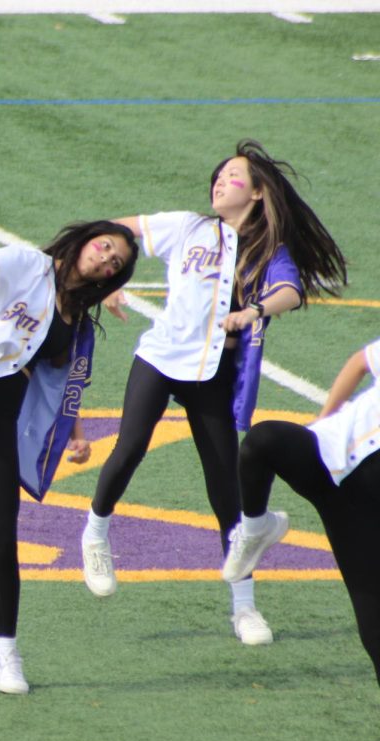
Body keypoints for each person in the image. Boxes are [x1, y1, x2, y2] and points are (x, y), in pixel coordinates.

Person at [78, 140, 347, 647]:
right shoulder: (188, 226)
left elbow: (290, 291)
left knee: (226, 485)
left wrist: (255, 312)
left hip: (214, 373)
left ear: (259, 192)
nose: (221, 182)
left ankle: (244, 608)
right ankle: (95, 533)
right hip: (160, 358)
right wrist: (108, 279)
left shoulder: (269, 250)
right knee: (130, 447)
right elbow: (114, 231)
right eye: (219, 176)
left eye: (234, 177)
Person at [0, 219, 139, 694]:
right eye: (104, 247)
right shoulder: (31, 265)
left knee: (2, 538)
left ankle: (6, 657)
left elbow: (59, 385)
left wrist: (74, 433)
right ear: (84, 241)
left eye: (115, 262)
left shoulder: (77, 322)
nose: (105, 260)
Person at [223, 338, 380, 687]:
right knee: (262, 441)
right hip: (325, 455)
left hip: (358, 511)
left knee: (373, 623)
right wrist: (324, 419)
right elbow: (360, 362)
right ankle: (255, 527)